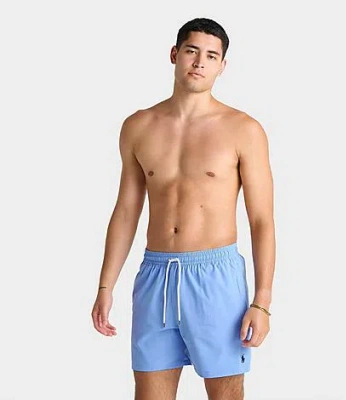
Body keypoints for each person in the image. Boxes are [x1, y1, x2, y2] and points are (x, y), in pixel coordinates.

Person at [91, 17, 275, 400]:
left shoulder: (243, 129)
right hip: (155, 276)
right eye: (192, 51)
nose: (200, 62)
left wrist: (262, 301)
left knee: (225, 394)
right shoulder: (138, 126)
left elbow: (261, 220)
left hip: (216, 278)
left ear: (222, 66)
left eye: (211, 56)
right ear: (175, 54)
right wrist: (105, 285)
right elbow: (126, 211)